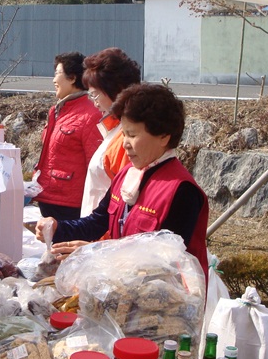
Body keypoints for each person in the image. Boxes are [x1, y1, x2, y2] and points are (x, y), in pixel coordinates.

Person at [36, 83, 209, 284]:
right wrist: (58, 228)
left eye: (133, 135)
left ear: (164, 137)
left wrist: (98, 253)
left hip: (164, 303)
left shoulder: (181, 190)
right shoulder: (127, 173)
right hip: (123, 288)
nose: (125, 143)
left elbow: (162, 262)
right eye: (124, 134)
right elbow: (97, 222)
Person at [32, 51, 103, 221]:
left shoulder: (90, 113)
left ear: (72, 78)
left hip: (70, 204)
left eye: (57, 73)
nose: (54, 80)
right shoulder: (58, 110)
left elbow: (96, 166)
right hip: (48, 196)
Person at [79, 48, 141, 215]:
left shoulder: (125, 136)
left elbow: (123, 198)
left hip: (105, 233)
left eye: (95, 95)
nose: (94, 102)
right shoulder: (114, 128)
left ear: (117, 90)